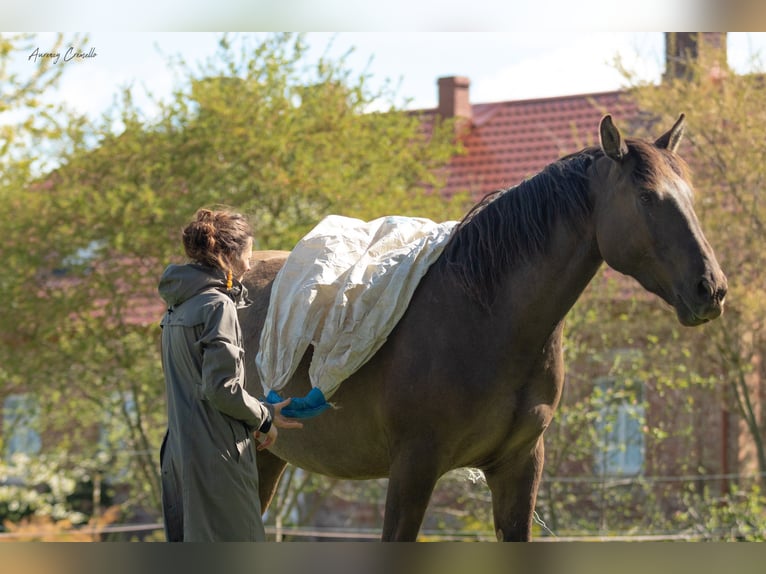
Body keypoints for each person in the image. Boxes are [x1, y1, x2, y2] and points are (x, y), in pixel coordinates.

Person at [158, 207, 302, 542]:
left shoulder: (176, 305)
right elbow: (222, 389)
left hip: (179, 456)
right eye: (247, 255)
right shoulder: (217, 306)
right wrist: (265, 415)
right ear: (227, 255)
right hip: (216, 460)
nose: (250, 265)